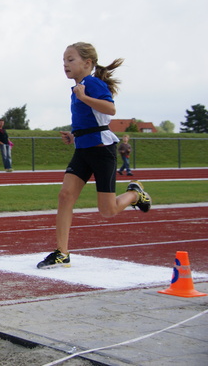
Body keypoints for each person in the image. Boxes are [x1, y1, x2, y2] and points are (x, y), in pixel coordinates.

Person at [37, 42, 151, 269]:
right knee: (65, 196)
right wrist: (73, 135)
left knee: (107, 211)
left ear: (87, 63)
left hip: (101, 151)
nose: (65, 65)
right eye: (63, 61)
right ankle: (62, 252)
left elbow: (110, 110)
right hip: (83, 149)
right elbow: (91, 121)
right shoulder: (78, 87)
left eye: (71, 60)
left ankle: (135, 195)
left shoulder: (92, 84)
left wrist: (84, 97)